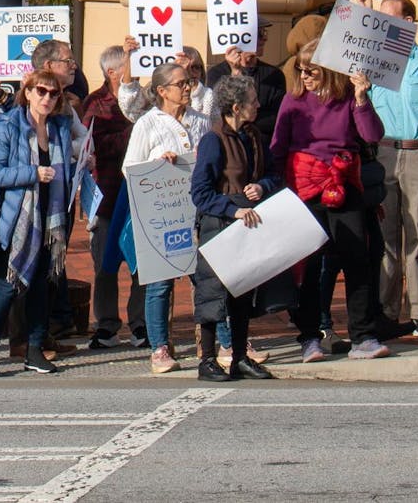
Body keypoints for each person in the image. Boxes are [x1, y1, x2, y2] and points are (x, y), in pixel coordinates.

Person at [270, 40, 387, 361]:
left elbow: (372, 134)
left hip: (343, 185)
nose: (305, 76)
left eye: (312, 70)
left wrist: (362, 99)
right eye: (300, 70)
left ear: (329, 71)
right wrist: (278, 194)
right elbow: (278, 148)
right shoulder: (293, 101)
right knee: (309, 266)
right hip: (304, 189)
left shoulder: (347, 98)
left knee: (356, 261)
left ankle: (363, 336)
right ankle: (310, 337)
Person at [0, 70, 80, 376]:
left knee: (40, 287)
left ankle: (35, 350)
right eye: (41, 91)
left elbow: (74, 154)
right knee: (8, 286)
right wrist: (33, 173)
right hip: (16, 218)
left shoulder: (59, 127)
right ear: (29, 92)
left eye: (54, 93)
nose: (47, 98)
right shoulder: (9, 124)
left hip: (50, 218)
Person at [366, 0, 418, 338]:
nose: (384, 24)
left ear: (409, 22)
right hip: (384, 153)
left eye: (391, 18)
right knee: (385, 239)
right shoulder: (372, 61)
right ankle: (386, 311)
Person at [122, 61, 212, 374]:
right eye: (180, 83)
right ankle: (159, 347)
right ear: (162, 91)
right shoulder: (148, 124)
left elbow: (213, 156)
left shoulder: (201, 121)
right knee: (160, 283)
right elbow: (130, 168)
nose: (187, 87)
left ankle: (219, 342)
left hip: (197, 211)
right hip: (163, 215)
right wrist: (159, 164)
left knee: (207, 279)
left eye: (188, 82)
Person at [189, 74, 280, 381]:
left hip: (248, 221)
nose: (258, 104)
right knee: (213, 292)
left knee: (243, 291)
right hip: (220, 222)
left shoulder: (253, 135)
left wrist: (262, 186)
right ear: (237, 106)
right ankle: (208, 360)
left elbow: (274, 174)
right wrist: (233, 207)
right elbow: (200, 193)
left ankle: (239, 356)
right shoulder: (213, 140)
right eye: (253, 100)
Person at [79, 45, 146, 349]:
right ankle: (106, 325)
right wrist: (133, 133)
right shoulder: (96, 103)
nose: (136, 73)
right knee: (105, 265)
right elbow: (92, 145)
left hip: (140, 196)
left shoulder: (146, 99)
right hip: (107, 195)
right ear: (112, 72)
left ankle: (141, 323)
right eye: (130, 66)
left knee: (141, 265)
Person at [206, 21, 285, 139]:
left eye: (264, 33)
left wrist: (246, 119)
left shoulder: (274, 74)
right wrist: (236, 72)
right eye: (258, 34)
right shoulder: (217, 74)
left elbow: (276, 118)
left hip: (263, 146)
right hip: (230, 144)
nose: (264, 39)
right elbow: (220, 114)